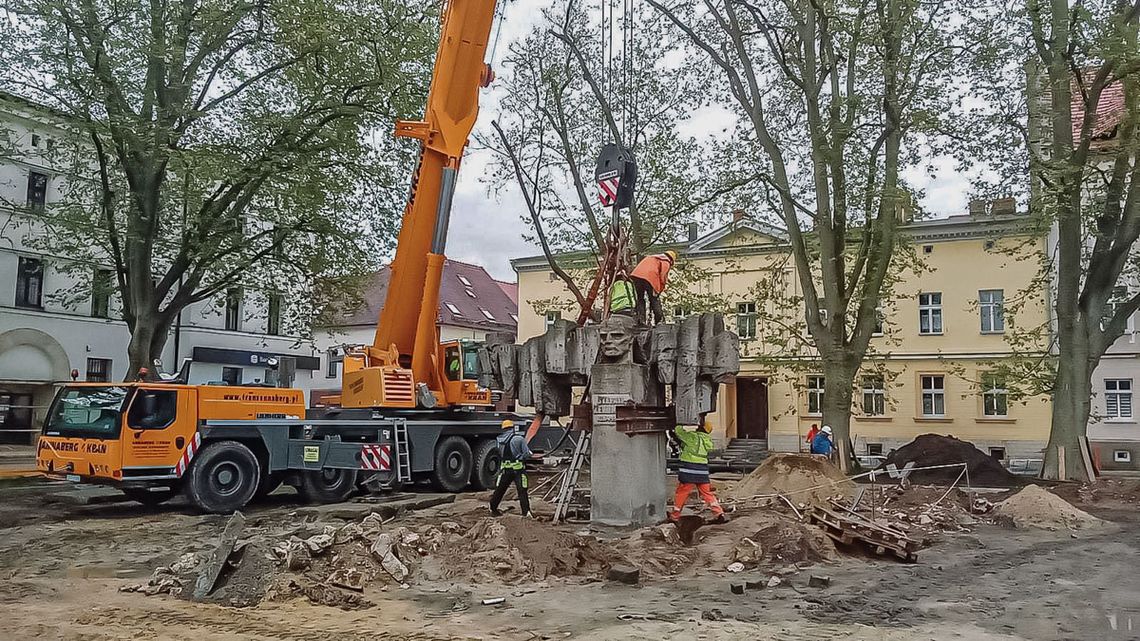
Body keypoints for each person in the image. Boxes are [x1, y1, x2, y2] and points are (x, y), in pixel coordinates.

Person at [668, 416, 726, 523]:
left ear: (700, 428)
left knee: (682, 492)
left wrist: (680, 420)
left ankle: (674, 516)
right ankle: (719, 513)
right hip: (702, 471)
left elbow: (678, 431)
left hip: (689, 470)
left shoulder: (692, 437)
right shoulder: (708, 441)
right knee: (707, 493)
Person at [490, 419, 533, 517]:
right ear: (513, 428)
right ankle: (526, 513)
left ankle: (493, 508)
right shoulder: (519, 439)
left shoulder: (498, 440)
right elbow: (526, 454)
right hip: (518, 470)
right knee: (522, 491)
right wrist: (528, 455)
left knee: (500, 490)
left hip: (505, 470)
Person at [630, 250, 677, 325]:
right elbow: (663, 276)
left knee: (640, 299)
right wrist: (658, 290)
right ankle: (659, 321)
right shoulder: (666, 261)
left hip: (636, 276)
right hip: (650, 278)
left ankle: (641, 320)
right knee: (654, 299)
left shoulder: (651, 257)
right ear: (672, 260)